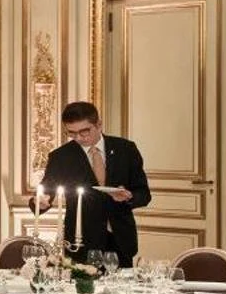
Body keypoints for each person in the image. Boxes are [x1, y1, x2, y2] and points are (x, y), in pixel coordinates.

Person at [33, 101, 150, 267]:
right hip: (81, 243)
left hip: (120, 239)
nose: (79, 138)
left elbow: (144, 194)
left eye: (84, 131)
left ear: (99, 125)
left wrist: (128, 197)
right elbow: (46, 192)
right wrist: (40, 202)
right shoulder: (61, 157)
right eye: (72, 133)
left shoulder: (126, 149)